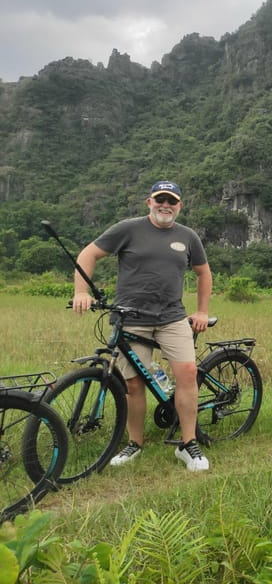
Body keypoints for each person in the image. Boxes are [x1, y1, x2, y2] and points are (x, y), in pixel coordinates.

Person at [71, 181, 213, 471]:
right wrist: (81, 291)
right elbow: (88, 254)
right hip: (131, 319)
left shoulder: (188, 237)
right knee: (134, 384)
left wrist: (201, 311)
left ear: (179, 206)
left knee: (186, 374)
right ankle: (135, 442)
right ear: (149, 202)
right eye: (160, 199)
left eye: (171, 201)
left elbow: (203, 272)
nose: (165, 205)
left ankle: (188, 444)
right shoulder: (128, 229)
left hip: (172, 317)